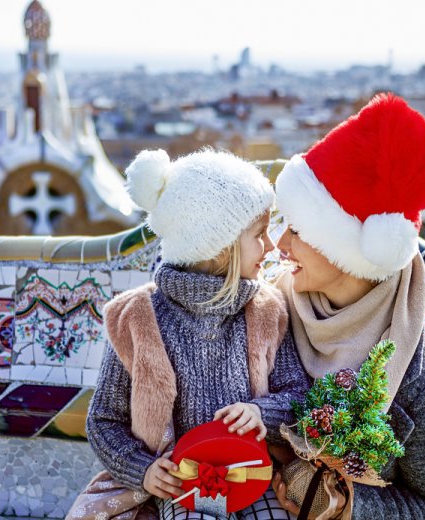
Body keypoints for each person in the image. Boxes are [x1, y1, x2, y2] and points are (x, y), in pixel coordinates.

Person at [270, 93, 425, 519]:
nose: (279, 244)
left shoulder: (422, 377)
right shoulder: (268, 312)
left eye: (298, 229)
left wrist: (348, 507)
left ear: (349, 249)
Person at [87, 148, 309, 520]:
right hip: (183, 482)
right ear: (218, 246)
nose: (270, 246)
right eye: (258, 235)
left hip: (253, 474)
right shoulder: (139, 319)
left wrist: (261, 411)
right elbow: (104, 421)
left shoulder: (266, 310)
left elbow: (298, 394)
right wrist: (142, 469)